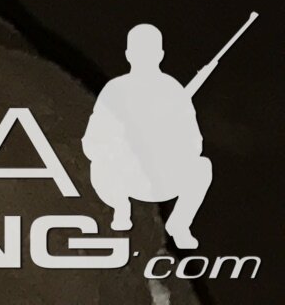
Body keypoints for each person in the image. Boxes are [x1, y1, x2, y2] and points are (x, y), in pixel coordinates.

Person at [86, 19, 226, 250]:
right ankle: (121, 208)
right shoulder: (115, 90)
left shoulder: (173, 91)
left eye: (149, 52)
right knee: (101, 166)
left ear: (160, 54)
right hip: (121, 175)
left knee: (202, 167)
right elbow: (92, 141)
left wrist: (167, 142)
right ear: (129, 54)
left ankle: (179, 224)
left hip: (158, 176)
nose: (144, 58)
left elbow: (194, 143)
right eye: (140, 52)